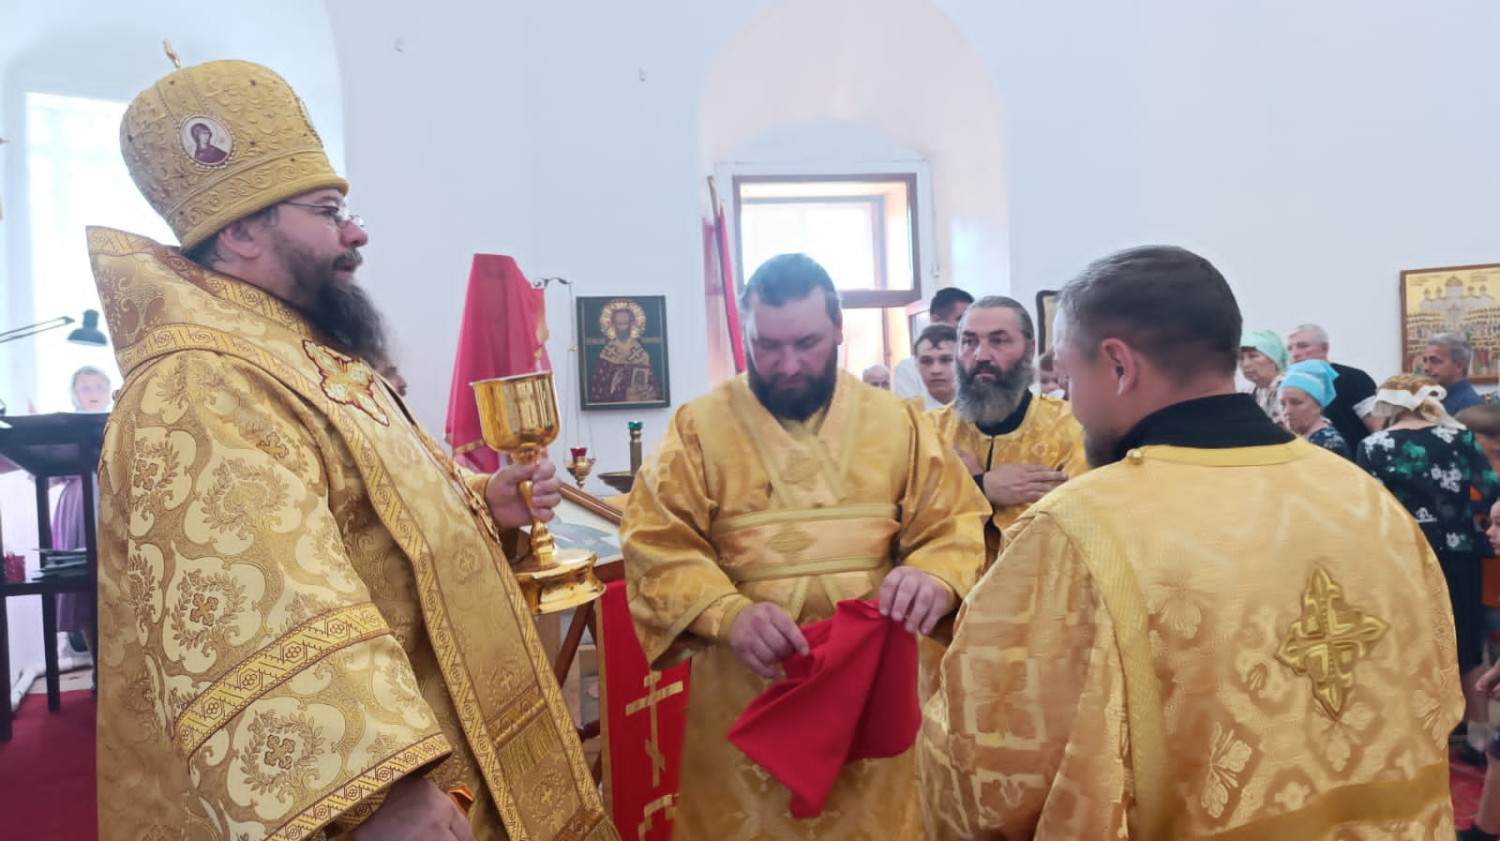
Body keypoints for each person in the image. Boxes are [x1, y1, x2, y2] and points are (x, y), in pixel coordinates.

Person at [90, 59, 616, 841]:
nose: (356, 230)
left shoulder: (300, 354)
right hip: (384, 794)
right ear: (240, 231)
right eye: (329, 211)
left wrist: (485, 504)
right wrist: (381, 795)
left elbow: (363, 521)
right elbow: (257, 607)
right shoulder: (201, 383)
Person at [919, 245, 1462, 839]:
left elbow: (988, 775)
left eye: (1069, 377)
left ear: (1118, 366)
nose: (1070, 404)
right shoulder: (1368, 500)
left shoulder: (1076, 531)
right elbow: (1437, 694)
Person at [622, 252, 989, 839]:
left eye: (807, 343)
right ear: (745, 333)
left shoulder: (898, 423)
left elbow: (953, 524)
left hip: (872, 694)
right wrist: (727, 614)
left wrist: (935, 576)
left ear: (839, 328)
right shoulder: (700, 427)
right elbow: (656, 542)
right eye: (767, 346)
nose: (788, 364)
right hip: (748, 692)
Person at [1357, 373, 1500, 766]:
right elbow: (1490, 488)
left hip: (1404, 556)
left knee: (1410, 641)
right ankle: (1478, 735)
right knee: (1466, 643)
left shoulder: (1374, 445)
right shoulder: (1458, 437)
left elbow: (1370, 508)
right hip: (1459, 552)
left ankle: (1419, 733)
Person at [929, 295, 1086, 550]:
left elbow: (1073, 529)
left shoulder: (1072, 427)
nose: (981, 355)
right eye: (969, 342)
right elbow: (911, 521)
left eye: (998, 341)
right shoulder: (929, 430)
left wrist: (964, 491)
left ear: (1030, 349)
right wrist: (981, 487)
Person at [54, 366, 113, 678]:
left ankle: (121, 670)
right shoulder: (62, 425)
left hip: (114, 498)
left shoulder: (121, 420)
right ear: (74, 393)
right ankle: (97, 669)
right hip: (78, 504)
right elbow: (46, 472)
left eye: (99, 387)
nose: (93, 393)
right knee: (83, 588)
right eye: (86, 387)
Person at [1286, 323, 1379, 448]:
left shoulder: (1353, 378)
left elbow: (1378, 428)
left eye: (1302, 346)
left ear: (1324, 348)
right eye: (1290, 349)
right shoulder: (1291, 386)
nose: (1294, 353)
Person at [894, 287, 973, 398]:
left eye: (946, 360)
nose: (969, 326)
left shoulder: (975, 362)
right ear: (937, 321)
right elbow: (912, 408)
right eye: (961, 319)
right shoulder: (908, 370)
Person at [589, 300, 663, 403]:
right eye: (619, 324)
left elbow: (651, 381)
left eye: (625, 323)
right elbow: (599, 384)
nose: (622, 328)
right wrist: (613, 382)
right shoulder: (607, 352)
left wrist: (645, 388)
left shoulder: (639, 352)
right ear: (613, 325)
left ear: (631, 324)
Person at [1277, 359, 1351, 458]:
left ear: (1318, 404)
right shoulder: (1297, 440)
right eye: (1282, 404)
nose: (1287, 411)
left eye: (1296, 403)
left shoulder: (1329, 445)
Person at [1425, 332, 1486, 415]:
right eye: (1425, 361)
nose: (1426, 368)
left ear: (1459, 366)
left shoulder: (1469, 406)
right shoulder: (1437, 397)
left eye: (1435, 361)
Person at [1238, 328, 1286, 424]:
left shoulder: (1287, 389)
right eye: (1241, 358)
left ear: (1273, 359)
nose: (1245, 364)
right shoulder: (1247, 392)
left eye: (1253, 356)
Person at [912, 323, 958, 409]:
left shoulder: (980, 411)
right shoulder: (907, 412)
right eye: (926, 361)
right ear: (916, 364)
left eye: (946, 360)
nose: (936, 370)